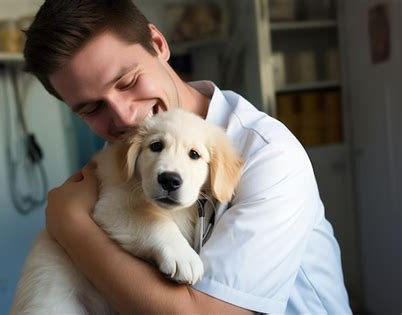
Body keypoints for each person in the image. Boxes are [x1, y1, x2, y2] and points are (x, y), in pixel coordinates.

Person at [23, 0, 352, 313]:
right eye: (92, 108)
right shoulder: (128, 151)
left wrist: (73, 226)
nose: (124, 117)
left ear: (158, 44)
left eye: (127, 81)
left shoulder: (269, 156)